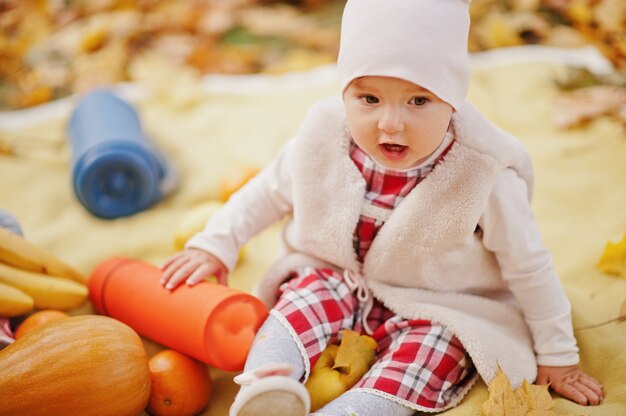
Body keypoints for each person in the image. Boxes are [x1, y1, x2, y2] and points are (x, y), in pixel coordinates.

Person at [160, 0, 604, 414]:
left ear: (452, 100)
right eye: (368, 99)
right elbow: (266, 192)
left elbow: (530, 268)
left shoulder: (481, 176)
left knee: (433, 352)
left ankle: (360, 408)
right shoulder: (323, 139)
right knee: (302, 298)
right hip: (340, 277)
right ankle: (268, 382)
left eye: (418, 101)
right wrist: (216, 244)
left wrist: (558, 357)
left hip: (437, 304)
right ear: (345, 93)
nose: (390, 123)